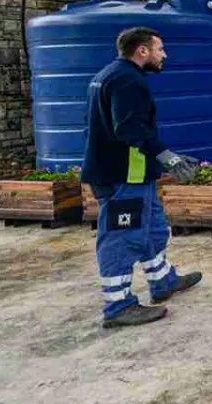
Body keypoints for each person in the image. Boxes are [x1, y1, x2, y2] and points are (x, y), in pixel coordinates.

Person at [82, 27, 203, 328]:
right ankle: (118, 305)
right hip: (122, 176)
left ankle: (163, 280)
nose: (165, 55)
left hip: (134, 174)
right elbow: (128, 128)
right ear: (142, 51)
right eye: (160, 49)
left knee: (153, 228)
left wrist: (159, 156)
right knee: (121, 239)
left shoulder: (108, 74)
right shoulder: (127, 80)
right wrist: (167, 156)